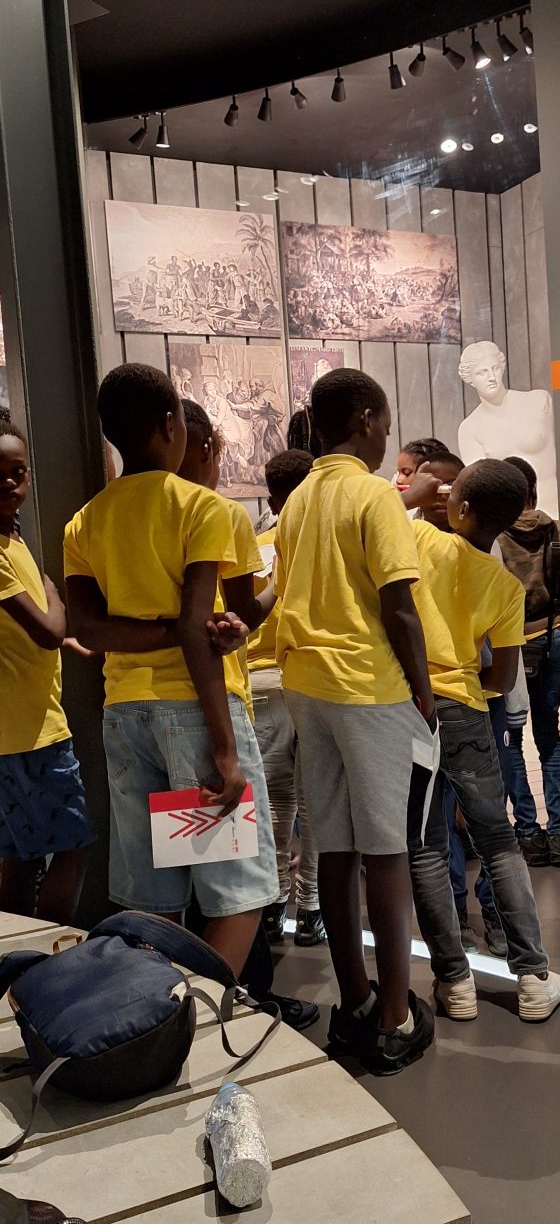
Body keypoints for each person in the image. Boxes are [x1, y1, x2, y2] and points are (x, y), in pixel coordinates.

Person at [63, 364, 280, 979]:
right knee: (238, 895)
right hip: (196, 716)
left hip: (126, 717)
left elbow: (90, 630)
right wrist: (227, 753)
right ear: (171, 425)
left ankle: (154, 1012)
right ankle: (199, 1021)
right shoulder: (202, 508)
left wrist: (176, 630)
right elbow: (194, 624)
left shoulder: (85, 520)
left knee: (157, 904)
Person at [275, 368, 437, 1075]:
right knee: (388, 850)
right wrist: (424, 691)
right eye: (386, 423)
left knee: (334, 848)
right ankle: (397, 1016)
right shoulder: (374, 494)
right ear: (366, 418)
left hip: (307, 687)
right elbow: (399, 604)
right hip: (369, 687)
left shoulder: (297, 498)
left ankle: (356, 1002)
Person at [408, 458, 560, 1023]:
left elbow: (378, 515)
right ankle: (533, 978)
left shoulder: (420, 539)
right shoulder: (506, 586)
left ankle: (455, 983)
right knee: (498, 842)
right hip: (468, 711)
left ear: (460, 506)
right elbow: (502, 675)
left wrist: (418, 495)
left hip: (410, 706)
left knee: (426, 846)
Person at [176, 402, 317, 1031]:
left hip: (146, 708)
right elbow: (230, 622)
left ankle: (194, 1004)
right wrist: (279, 582)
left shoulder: (104, 515)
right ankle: (231, 1006)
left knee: (193, 867)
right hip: (216, 706)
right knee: (243, 875)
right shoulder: (215, 514)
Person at [405, 450, 510, 956]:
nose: (437, 495)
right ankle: (466, 923)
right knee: (452, 821)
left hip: (448, 698)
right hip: (444, 698)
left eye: (449, 488)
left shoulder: (440, 543)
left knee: (462, 822)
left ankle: (484, 924)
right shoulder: (415, 540)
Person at [0, 419, 94, 924]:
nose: (9, 482)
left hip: (21, 729)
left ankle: (21, 955)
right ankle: (55, 950)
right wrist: (56, 599)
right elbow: (46, 629)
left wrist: (64, 636)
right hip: (30, 735)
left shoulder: (12, 537)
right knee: (73, 846)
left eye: (17, 471)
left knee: (21, 855)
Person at [497, 455, 560, 869]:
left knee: (512, 737)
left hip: (509, 642)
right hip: (553, 634)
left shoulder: (494, 537)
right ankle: (558, 836)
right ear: (533, 490)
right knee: (549, 736)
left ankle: (528, 834)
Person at [247, 448, 325, 948]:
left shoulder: (255, 547)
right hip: (310, 677)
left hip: (258, 682)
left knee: (274, 801)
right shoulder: (319, 547)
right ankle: (311, 907)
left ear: (272, 498)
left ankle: (274, 904)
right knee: (315, 800)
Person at [457, 341, 558, 515]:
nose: (491, 377)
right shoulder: (469, 429)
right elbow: (481, 489)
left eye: (495, 368)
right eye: (482, 372)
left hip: (557, 511)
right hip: (510, 522)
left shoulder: (538, 401)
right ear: (470, 380)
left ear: (502, 368)